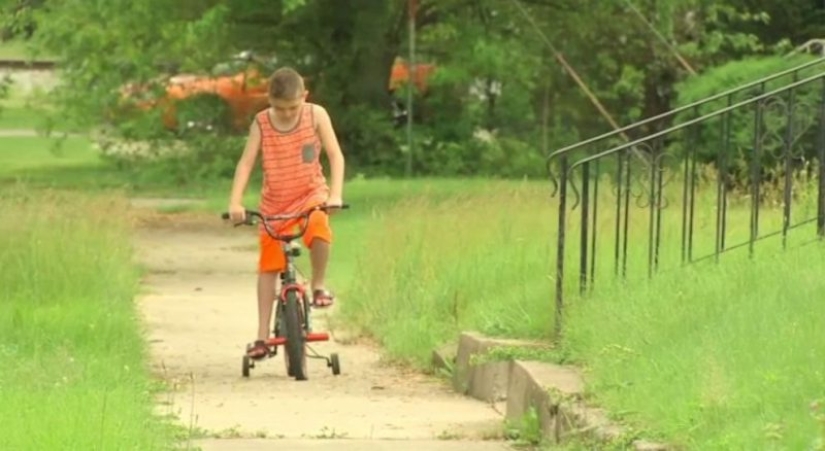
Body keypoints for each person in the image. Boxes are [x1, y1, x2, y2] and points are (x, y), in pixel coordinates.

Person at [227, 67, 345, 360]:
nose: (288, 114)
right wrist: (236, 202)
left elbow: (335, 155)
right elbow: (245, 164)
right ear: (269, 100)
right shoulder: (262, 123)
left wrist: (335, 195)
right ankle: (261, 336)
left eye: (293, 107)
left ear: (304, 97)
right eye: (281, 108)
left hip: (310, 196)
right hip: (275, 206)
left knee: (320, 228)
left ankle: (317, 285)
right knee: (268, 267)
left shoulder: (316, 115)